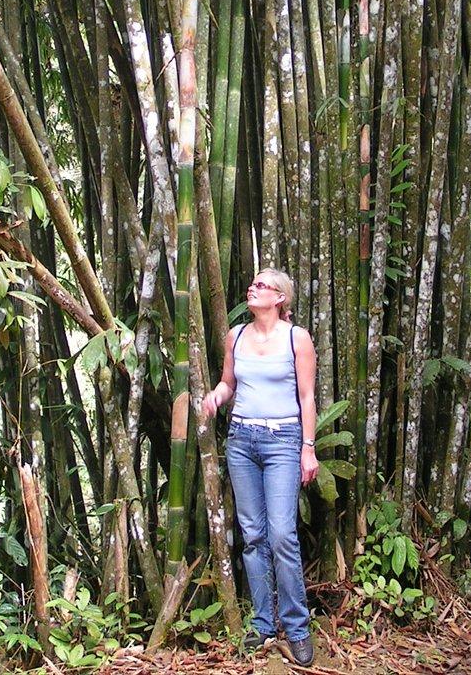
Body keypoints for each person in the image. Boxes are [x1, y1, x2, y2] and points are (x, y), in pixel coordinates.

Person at [202, 268, 318, 667]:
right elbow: (228, 383)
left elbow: (307, 397)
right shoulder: (235, 336)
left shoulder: (296, 338)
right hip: (242, 440)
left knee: (282, 533)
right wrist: (215, 397)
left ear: (280, 298)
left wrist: (308, 447)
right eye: (252, 283)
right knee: (252, 535)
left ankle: (298, 628)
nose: (253, 288)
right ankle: (263, 622)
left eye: (262, 286)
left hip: (284, 439)